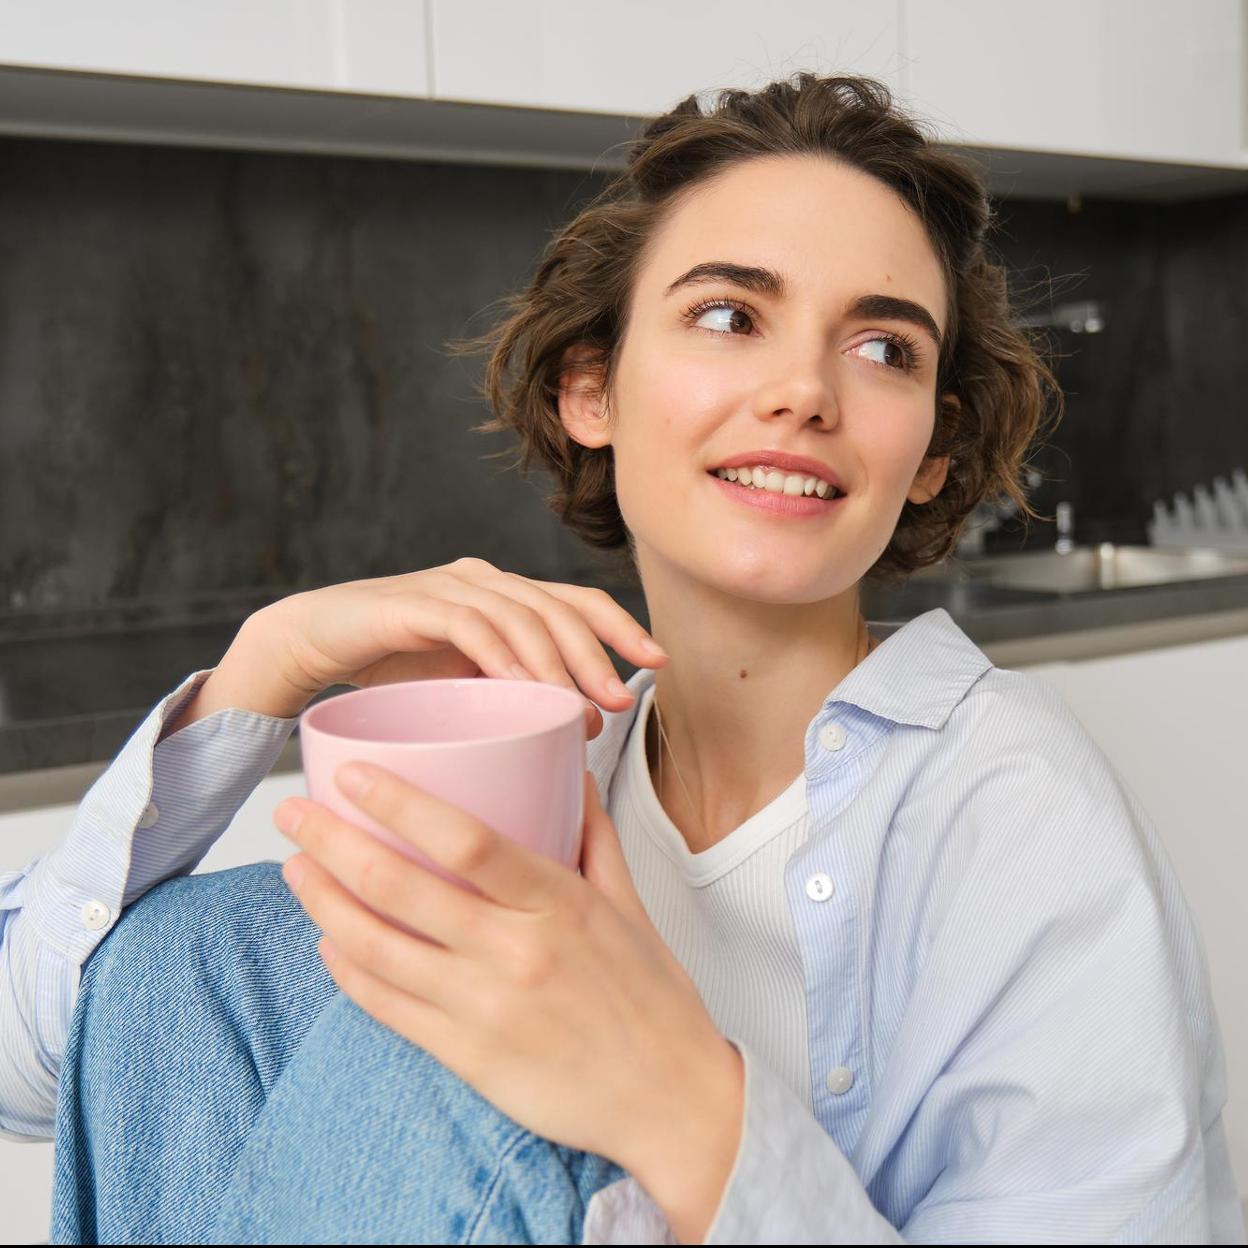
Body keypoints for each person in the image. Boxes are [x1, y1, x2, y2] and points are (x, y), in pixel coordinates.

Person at [1, 72, 1242, 1245]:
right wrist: (264, 666)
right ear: (589, 389)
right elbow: (42, 1063)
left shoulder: (1022, 821)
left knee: (439, 1040)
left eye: (884, 350)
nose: (804, 391)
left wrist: (679, 1105)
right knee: (189, 952)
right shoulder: (553, 762)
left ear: (930, 452)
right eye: (729, 316)